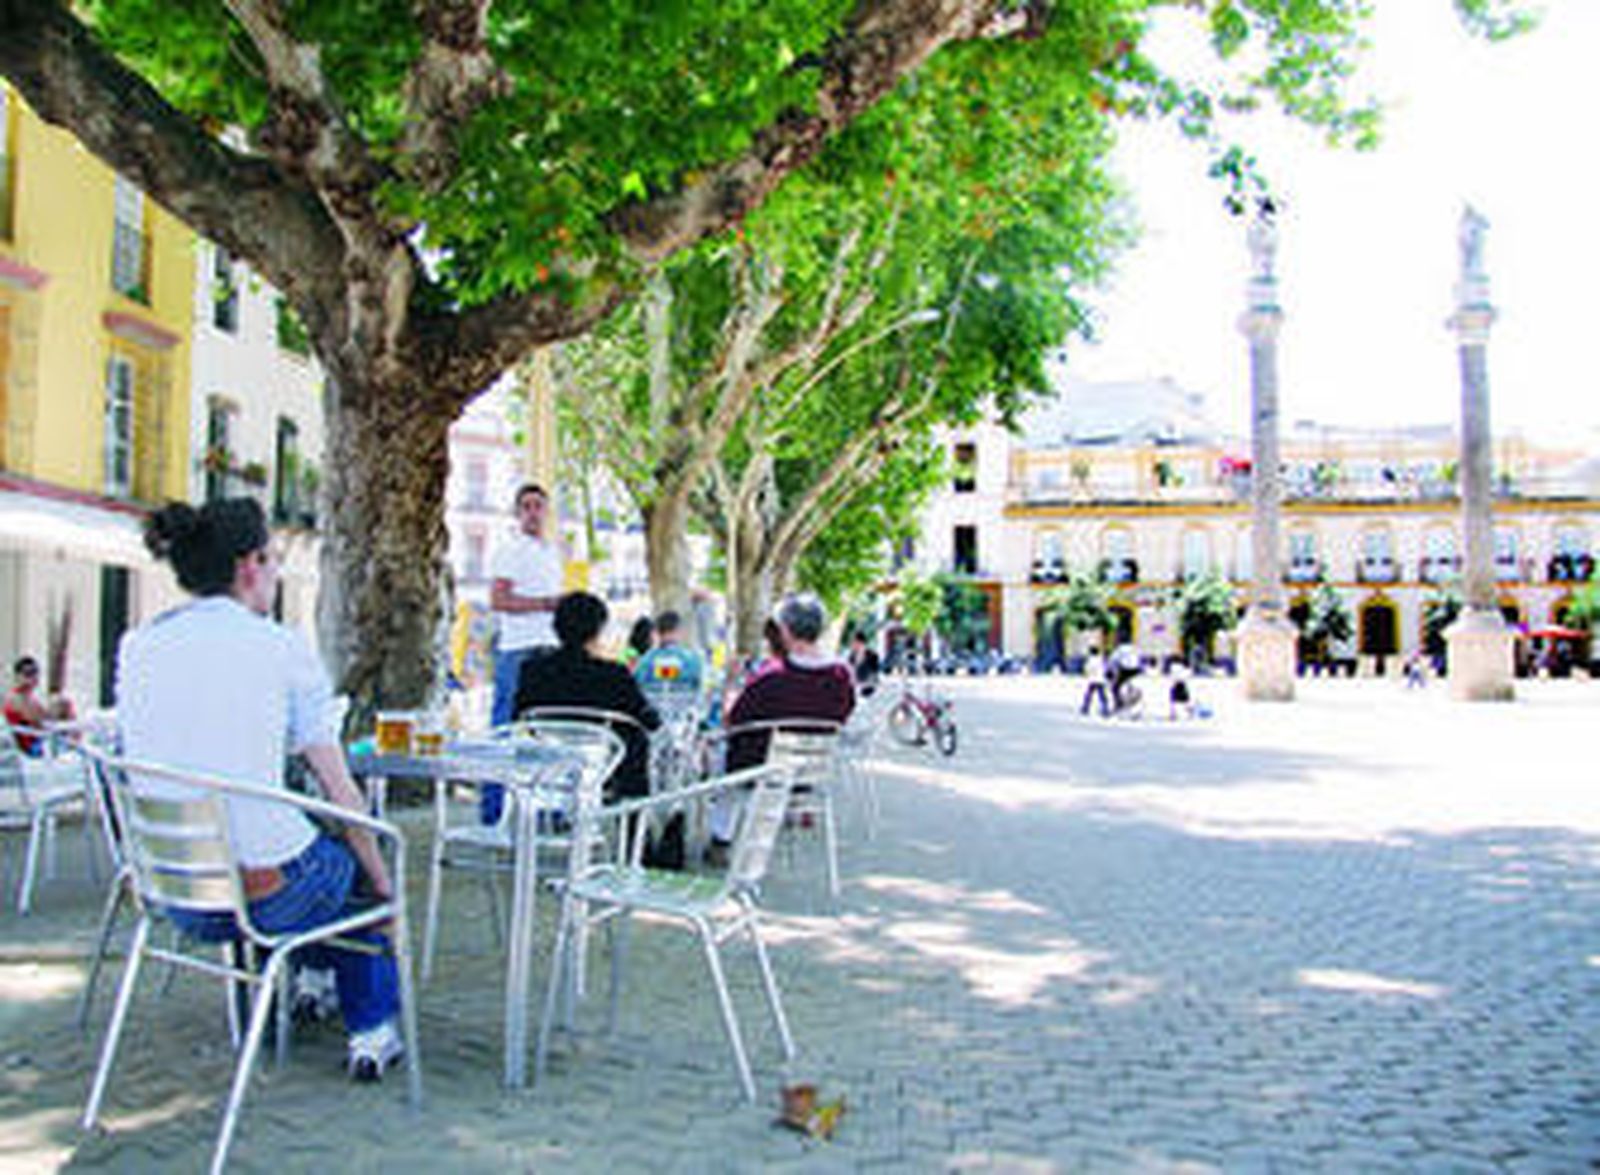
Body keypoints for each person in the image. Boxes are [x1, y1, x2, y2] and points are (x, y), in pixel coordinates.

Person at [116, 499, 404, 1081]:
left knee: (314, 847)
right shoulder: (280, 647)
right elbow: (339, 787)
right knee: (355, 860)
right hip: (265, 897)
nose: (275, 574)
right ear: (249, 566)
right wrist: (384, 885)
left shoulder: (137, 646)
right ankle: (372, 1028)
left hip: (172, 893)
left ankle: (310, 986)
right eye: (273, 561)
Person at [706, 593, 856, 866]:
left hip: (760, 772)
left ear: (785, 630)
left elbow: (731, 721)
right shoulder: (842, 676)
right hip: (810, 774)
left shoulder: (771, 677)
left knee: (722, 756)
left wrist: (730, 686)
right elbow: (843, 717)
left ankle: (720, 840)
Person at [514, 592, 661, 802]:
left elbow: (519, 717)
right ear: (598, 630)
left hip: (548, 772)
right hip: (604, 772)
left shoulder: (532, 671)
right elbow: (649, 721)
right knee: (635, 740)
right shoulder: (614, 675)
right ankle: (633, 823)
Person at [485, 482, 564, 822]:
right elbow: (498, 599)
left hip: (549, 648)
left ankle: (544, 811)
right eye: (527, 506)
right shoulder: (510, 549)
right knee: (504, 730)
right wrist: (546, 604)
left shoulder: (552, 552)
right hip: (517, 650)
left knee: (546, 732)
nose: (533, 512)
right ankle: (492, 812)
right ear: (518, 513)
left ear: (547, 512)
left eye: (538, 506)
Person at [634, 609, 705, 697]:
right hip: (683, 709)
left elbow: (637, 688)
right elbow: (699, 689)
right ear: (678, 631)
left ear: (658, 632)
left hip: (652, 709)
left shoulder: (645, 662)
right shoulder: (692, 661)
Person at [4, 656, 53, 754]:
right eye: (27, 674)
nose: (32, 677)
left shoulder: (29, 696)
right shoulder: (18, 697)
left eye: (35, 672)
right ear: (18, 676)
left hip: (38, 741)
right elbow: (39, 724)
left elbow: (46, 717)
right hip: (31, 748)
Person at [1079, 646, 1110, 718]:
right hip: (1100, 680)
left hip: (1092, 680)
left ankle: (1085, 707)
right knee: (1102, 696)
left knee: (1089, 694)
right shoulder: (1101, 660)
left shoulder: (1089, 660)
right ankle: (1105, 710)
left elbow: (1086, 669)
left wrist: (1087, 674)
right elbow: (1105, 668)